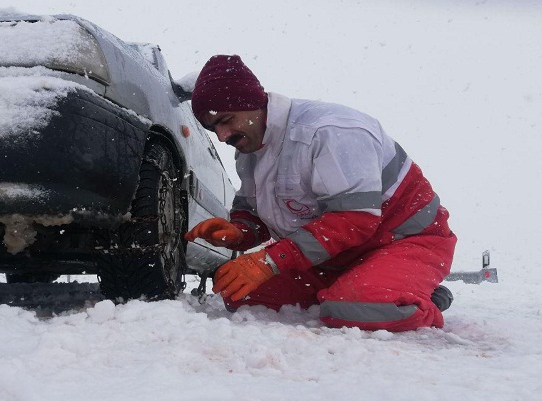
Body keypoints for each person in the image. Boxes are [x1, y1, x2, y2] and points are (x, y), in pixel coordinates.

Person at [184, 55, 456, 332]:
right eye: (212, 127)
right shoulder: (250, 152)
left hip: (403, 242)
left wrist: (270, 261)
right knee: (240, 294)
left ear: (252, 102)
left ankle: (415, 295)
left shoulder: (331, 131)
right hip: (333, 257)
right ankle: (361, 286)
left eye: (226, 120)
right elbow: (254, 215)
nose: (221, 136)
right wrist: (238, 232)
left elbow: (355, 219)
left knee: (357, 309)